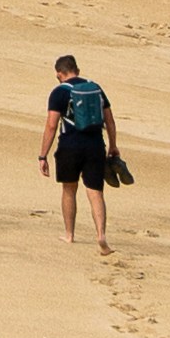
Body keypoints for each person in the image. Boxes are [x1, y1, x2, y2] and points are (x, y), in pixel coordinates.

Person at [42, 50, 130, 242]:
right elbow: (110, 120)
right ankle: (101, 234)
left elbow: (51, 125)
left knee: (69, 189)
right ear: (77, 70)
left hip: (69, 146)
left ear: (59, 74)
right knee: (95, 191)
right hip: (95, 145)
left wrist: (43, 155)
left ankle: (69, 234)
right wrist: (113, 146)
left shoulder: (59, 92)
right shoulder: (95, 88)